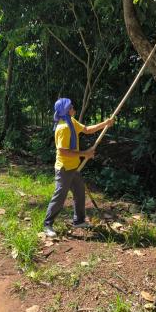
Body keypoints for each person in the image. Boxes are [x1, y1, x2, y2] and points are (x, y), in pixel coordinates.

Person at [43, 98, 115, 238]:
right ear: (65, 110)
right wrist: (84, 153)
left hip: (74, 167)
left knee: (80, 193)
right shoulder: (63, 127)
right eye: (71, 107)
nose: (73, 108)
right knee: (60, 196)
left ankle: (79, 221)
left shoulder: (71, 121)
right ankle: (47, 224)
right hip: (64, 169)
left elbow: (87, 130)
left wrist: (105, 124)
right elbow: (63, 150)